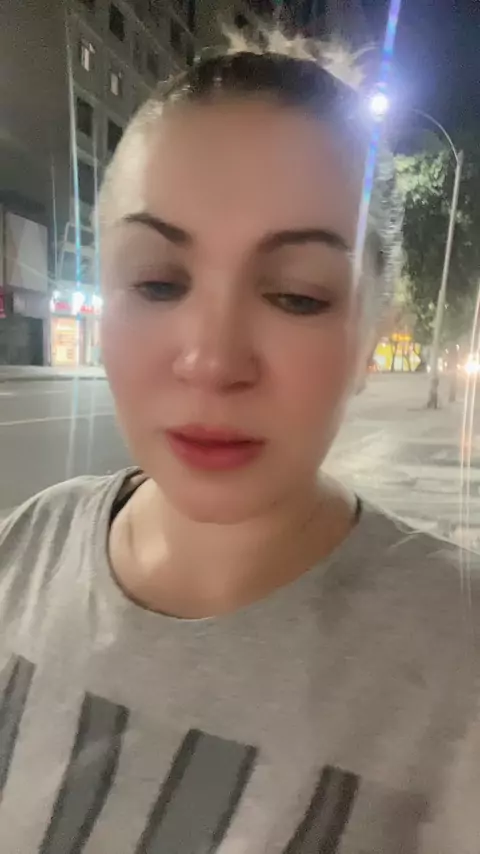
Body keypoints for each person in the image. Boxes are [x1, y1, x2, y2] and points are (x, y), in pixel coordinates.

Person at [0, 32, 479, 854]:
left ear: (374, 333)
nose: (213, 361)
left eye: (296, 296)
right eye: (158, 282)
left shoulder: (456, 656)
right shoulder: (26, 547)